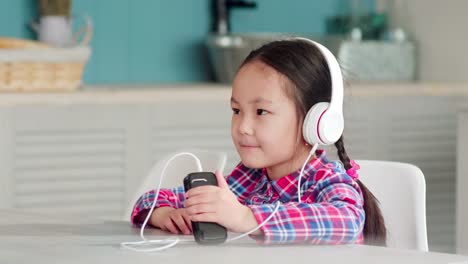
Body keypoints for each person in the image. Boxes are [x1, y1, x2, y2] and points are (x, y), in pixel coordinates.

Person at [131, 38, 387, 245]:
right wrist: (162, 213)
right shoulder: (248, 179)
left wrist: (247, 217)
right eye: (236, 110)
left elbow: (347, 220)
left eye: (261, 112)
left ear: (316, 121)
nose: (243, 127)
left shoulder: (326, 179)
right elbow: (149, 199)